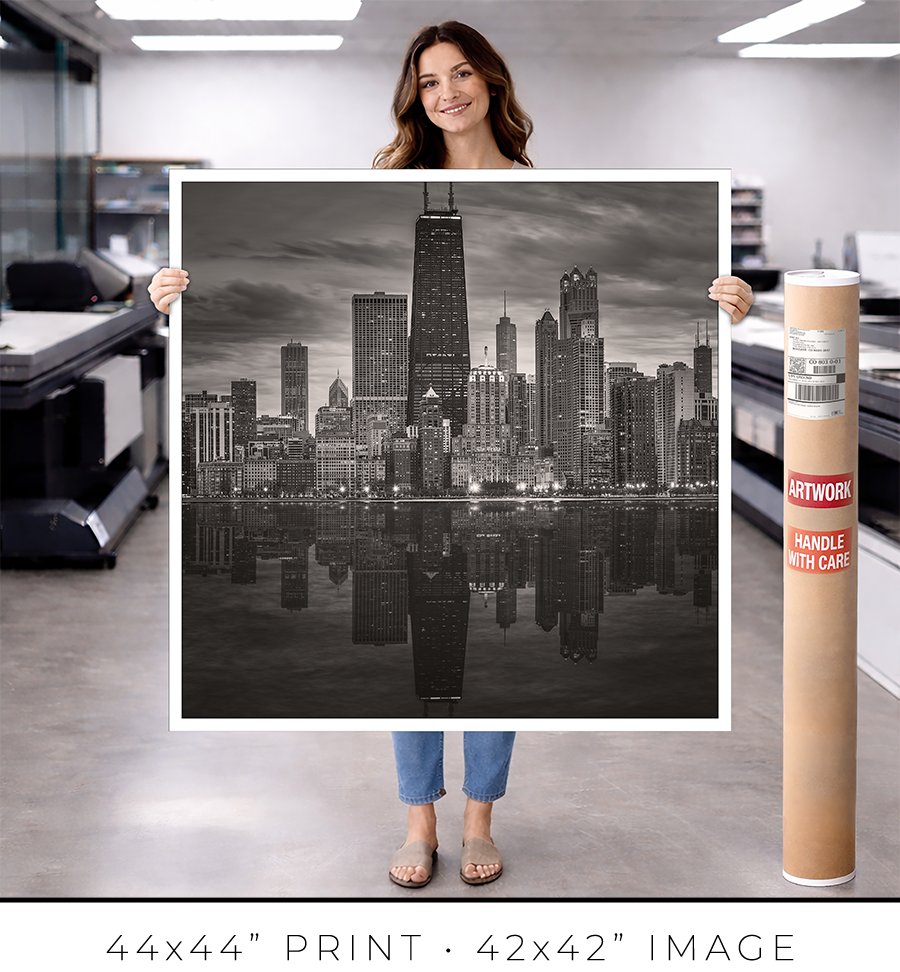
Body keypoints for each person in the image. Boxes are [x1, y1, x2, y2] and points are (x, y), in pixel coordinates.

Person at [148, 20, 753, 890]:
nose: (446, 94)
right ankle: (417, 818)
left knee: (471, 668)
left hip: (459, 405)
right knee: (420, 654)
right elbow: (195, 300)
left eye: (461, 73)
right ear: (414, 98)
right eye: (428, 81)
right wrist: (174, 298)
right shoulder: (392, 184)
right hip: (429, 407)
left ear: (493, 83)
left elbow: (716, 303)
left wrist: (731, 305)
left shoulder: (533, 188)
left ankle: (480, 817)